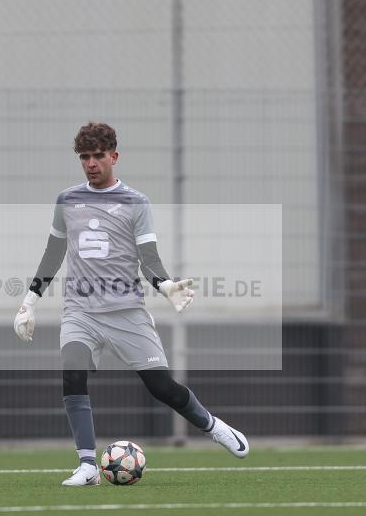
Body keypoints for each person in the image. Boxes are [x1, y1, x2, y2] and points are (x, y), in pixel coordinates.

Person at [14, 122, 249, 486]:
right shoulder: (67, 200)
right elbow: (53, 253)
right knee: (72, 374)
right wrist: (29, 301)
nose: (91, 163)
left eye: (97, 156)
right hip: (80, 311)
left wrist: (167, 285)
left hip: (126, 312)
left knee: (161, 388)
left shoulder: (136, 202)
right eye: (84, 157)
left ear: (114, 156)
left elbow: (148, 256)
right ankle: (88, 466)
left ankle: (213, 426)